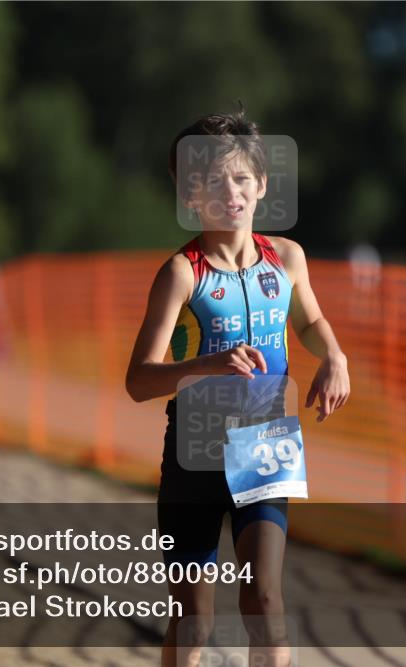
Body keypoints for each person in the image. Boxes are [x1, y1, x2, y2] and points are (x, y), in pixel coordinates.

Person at [125, 108, 350, 667]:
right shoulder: (182, 274)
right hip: (196, 450)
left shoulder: (288, 258)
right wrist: (207, 364)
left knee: (264, 600)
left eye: (242, 178)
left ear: (262, 185)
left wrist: (336, 356)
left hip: (267, 442)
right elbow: (138, 380)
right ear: (190, 193)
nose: (231, 192)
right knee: (195, 622)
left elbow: (309, 324)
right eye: (214, 181)